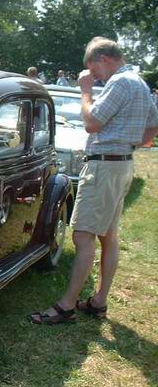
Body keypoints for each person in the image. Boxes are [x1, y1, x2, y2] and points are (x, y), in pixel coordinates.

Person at [30, 37, 158, 325]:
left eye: (94, 70)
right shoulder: (138, 82)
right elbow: (154, 123)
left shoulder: (120, 82)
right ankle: (99, 301)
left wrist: (86, 92)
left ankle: (66, 306)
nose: (95, 77)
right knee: (108, 236)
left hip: (104, 167)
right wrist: (130, 143)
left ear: (104, 59)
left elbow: (92, 123)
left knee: (83, 235)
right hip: (122, 164)